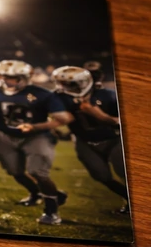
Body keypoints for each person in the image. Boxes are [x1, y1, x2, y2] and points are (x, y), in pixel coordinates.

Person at [0, 59, 73, 225]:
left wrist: (35, 126)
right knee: (14, 171)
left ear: (25, 78)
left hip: (36, 136)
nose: (5, 80)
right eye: (2, 76)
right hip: (4, 134)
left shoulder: (42, 94)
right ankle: (39, 193)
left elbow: (64, 118)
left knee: (38, 172)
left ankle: (51, 212)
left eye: (12, 77)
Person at [51, 66, 129, 214]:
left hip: (114, 139)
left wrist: (100, 116)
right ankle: (128, 198)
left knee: (124, 171)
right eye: (62, 83)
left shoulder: (108, 95)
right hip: (84, 142)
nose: (64, 87)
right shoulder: (60, 98)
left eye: (69, 84)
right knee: (101, 175)